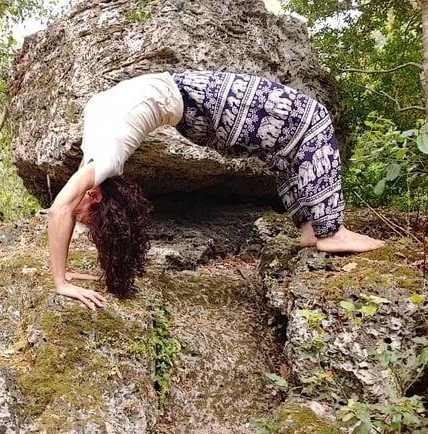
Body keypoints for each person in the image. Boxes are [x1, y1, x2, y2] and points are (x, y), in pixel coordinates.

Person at [47, 70, 385, 309]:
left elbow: (59, 208)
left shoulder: (98, 161)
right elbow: (62, 208)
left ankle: (312, 229)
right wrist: (61, 281)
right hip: (197, 103)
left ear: (94, 195)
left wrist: (61, 275)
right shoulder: (105, 161)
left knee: (286, 143)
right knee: (313, 118)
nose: (77, 219)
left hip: (195, 102)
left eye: (83, 220)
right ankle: (331, 231)